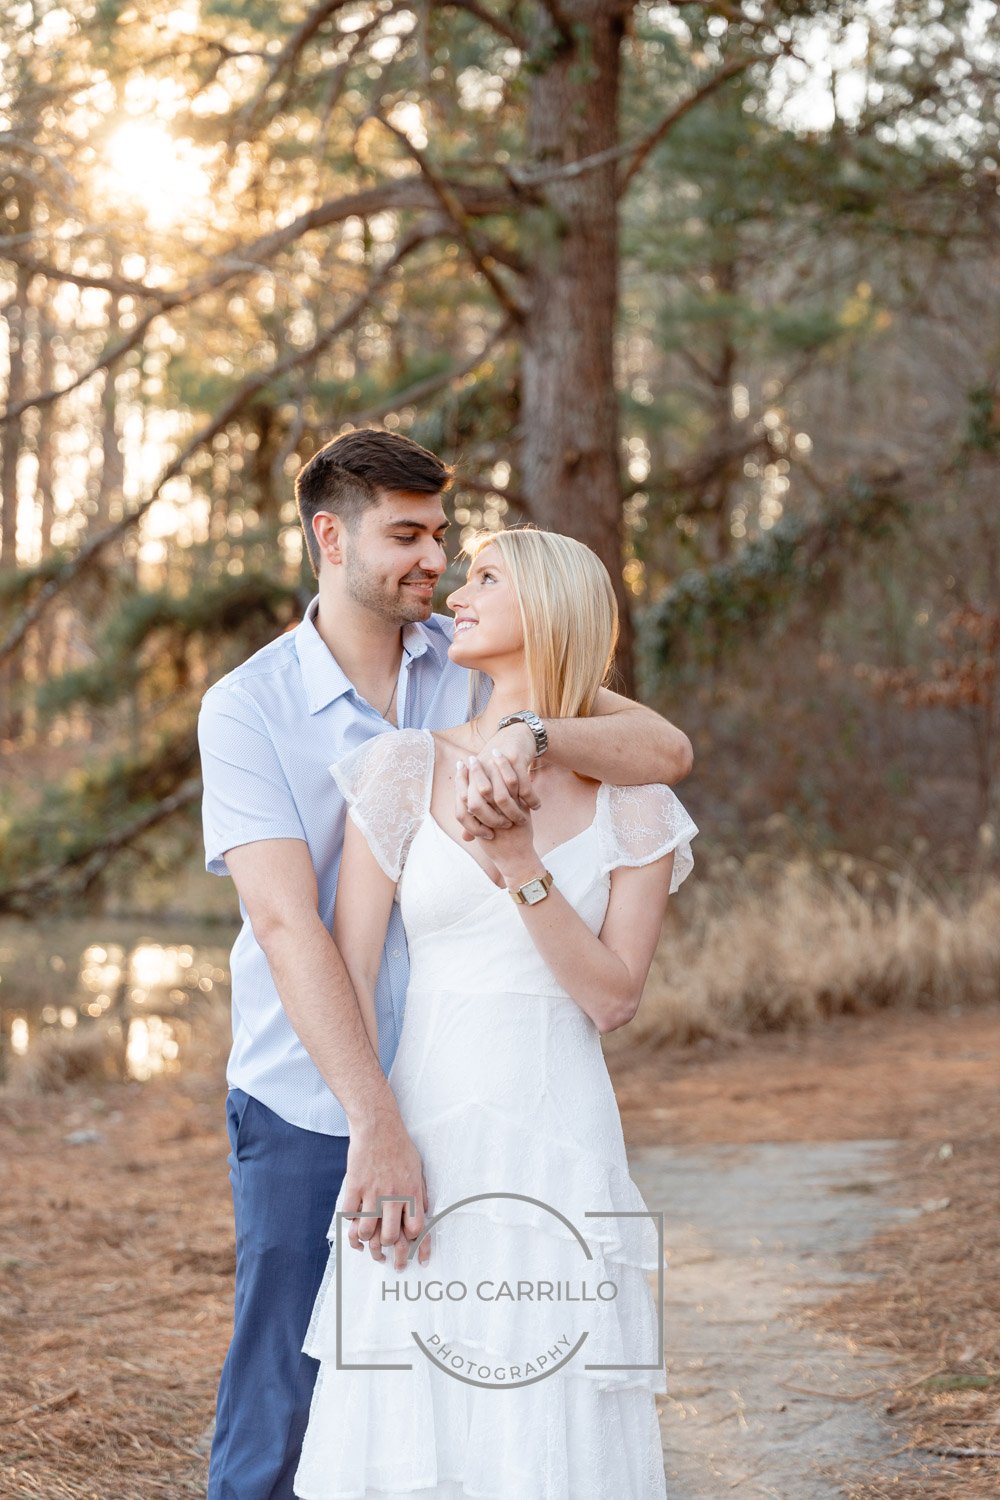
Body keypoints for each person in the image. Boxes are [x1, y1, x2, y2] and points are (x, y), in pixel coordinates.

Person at [198, 428, 693, 1500]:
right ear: (331, 539)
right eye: (408, 536)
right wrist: (373, 1119)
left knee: (505, 1387)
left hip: (487, 1089)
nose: (436, 562)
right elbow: (290, 927)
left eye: (444, 537)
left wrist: (531, 736)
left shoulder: (460, 664)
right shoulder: (249, 707)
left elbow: (662, 753)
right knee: (294, 1395)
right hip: (313, 1090)